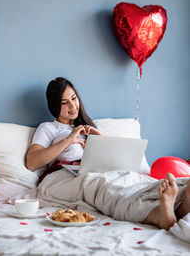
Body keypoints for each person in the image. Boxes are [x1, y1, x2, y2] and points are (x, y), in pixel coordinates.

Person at [26, 77, 190, 230]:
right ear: (55, 106)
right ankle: (157, 215)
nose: (72, 106)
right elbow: (32, 162)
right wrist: (68, 140)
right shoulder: (48, 128)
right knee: (102, 186)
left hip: (101, 171)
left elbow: (119, 155)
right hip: (62, 178)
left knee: (131, 179)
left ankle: (181, 201)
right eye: (64, 102)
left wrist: (100, 137)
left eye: (74, 98)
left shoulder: (90, 126)